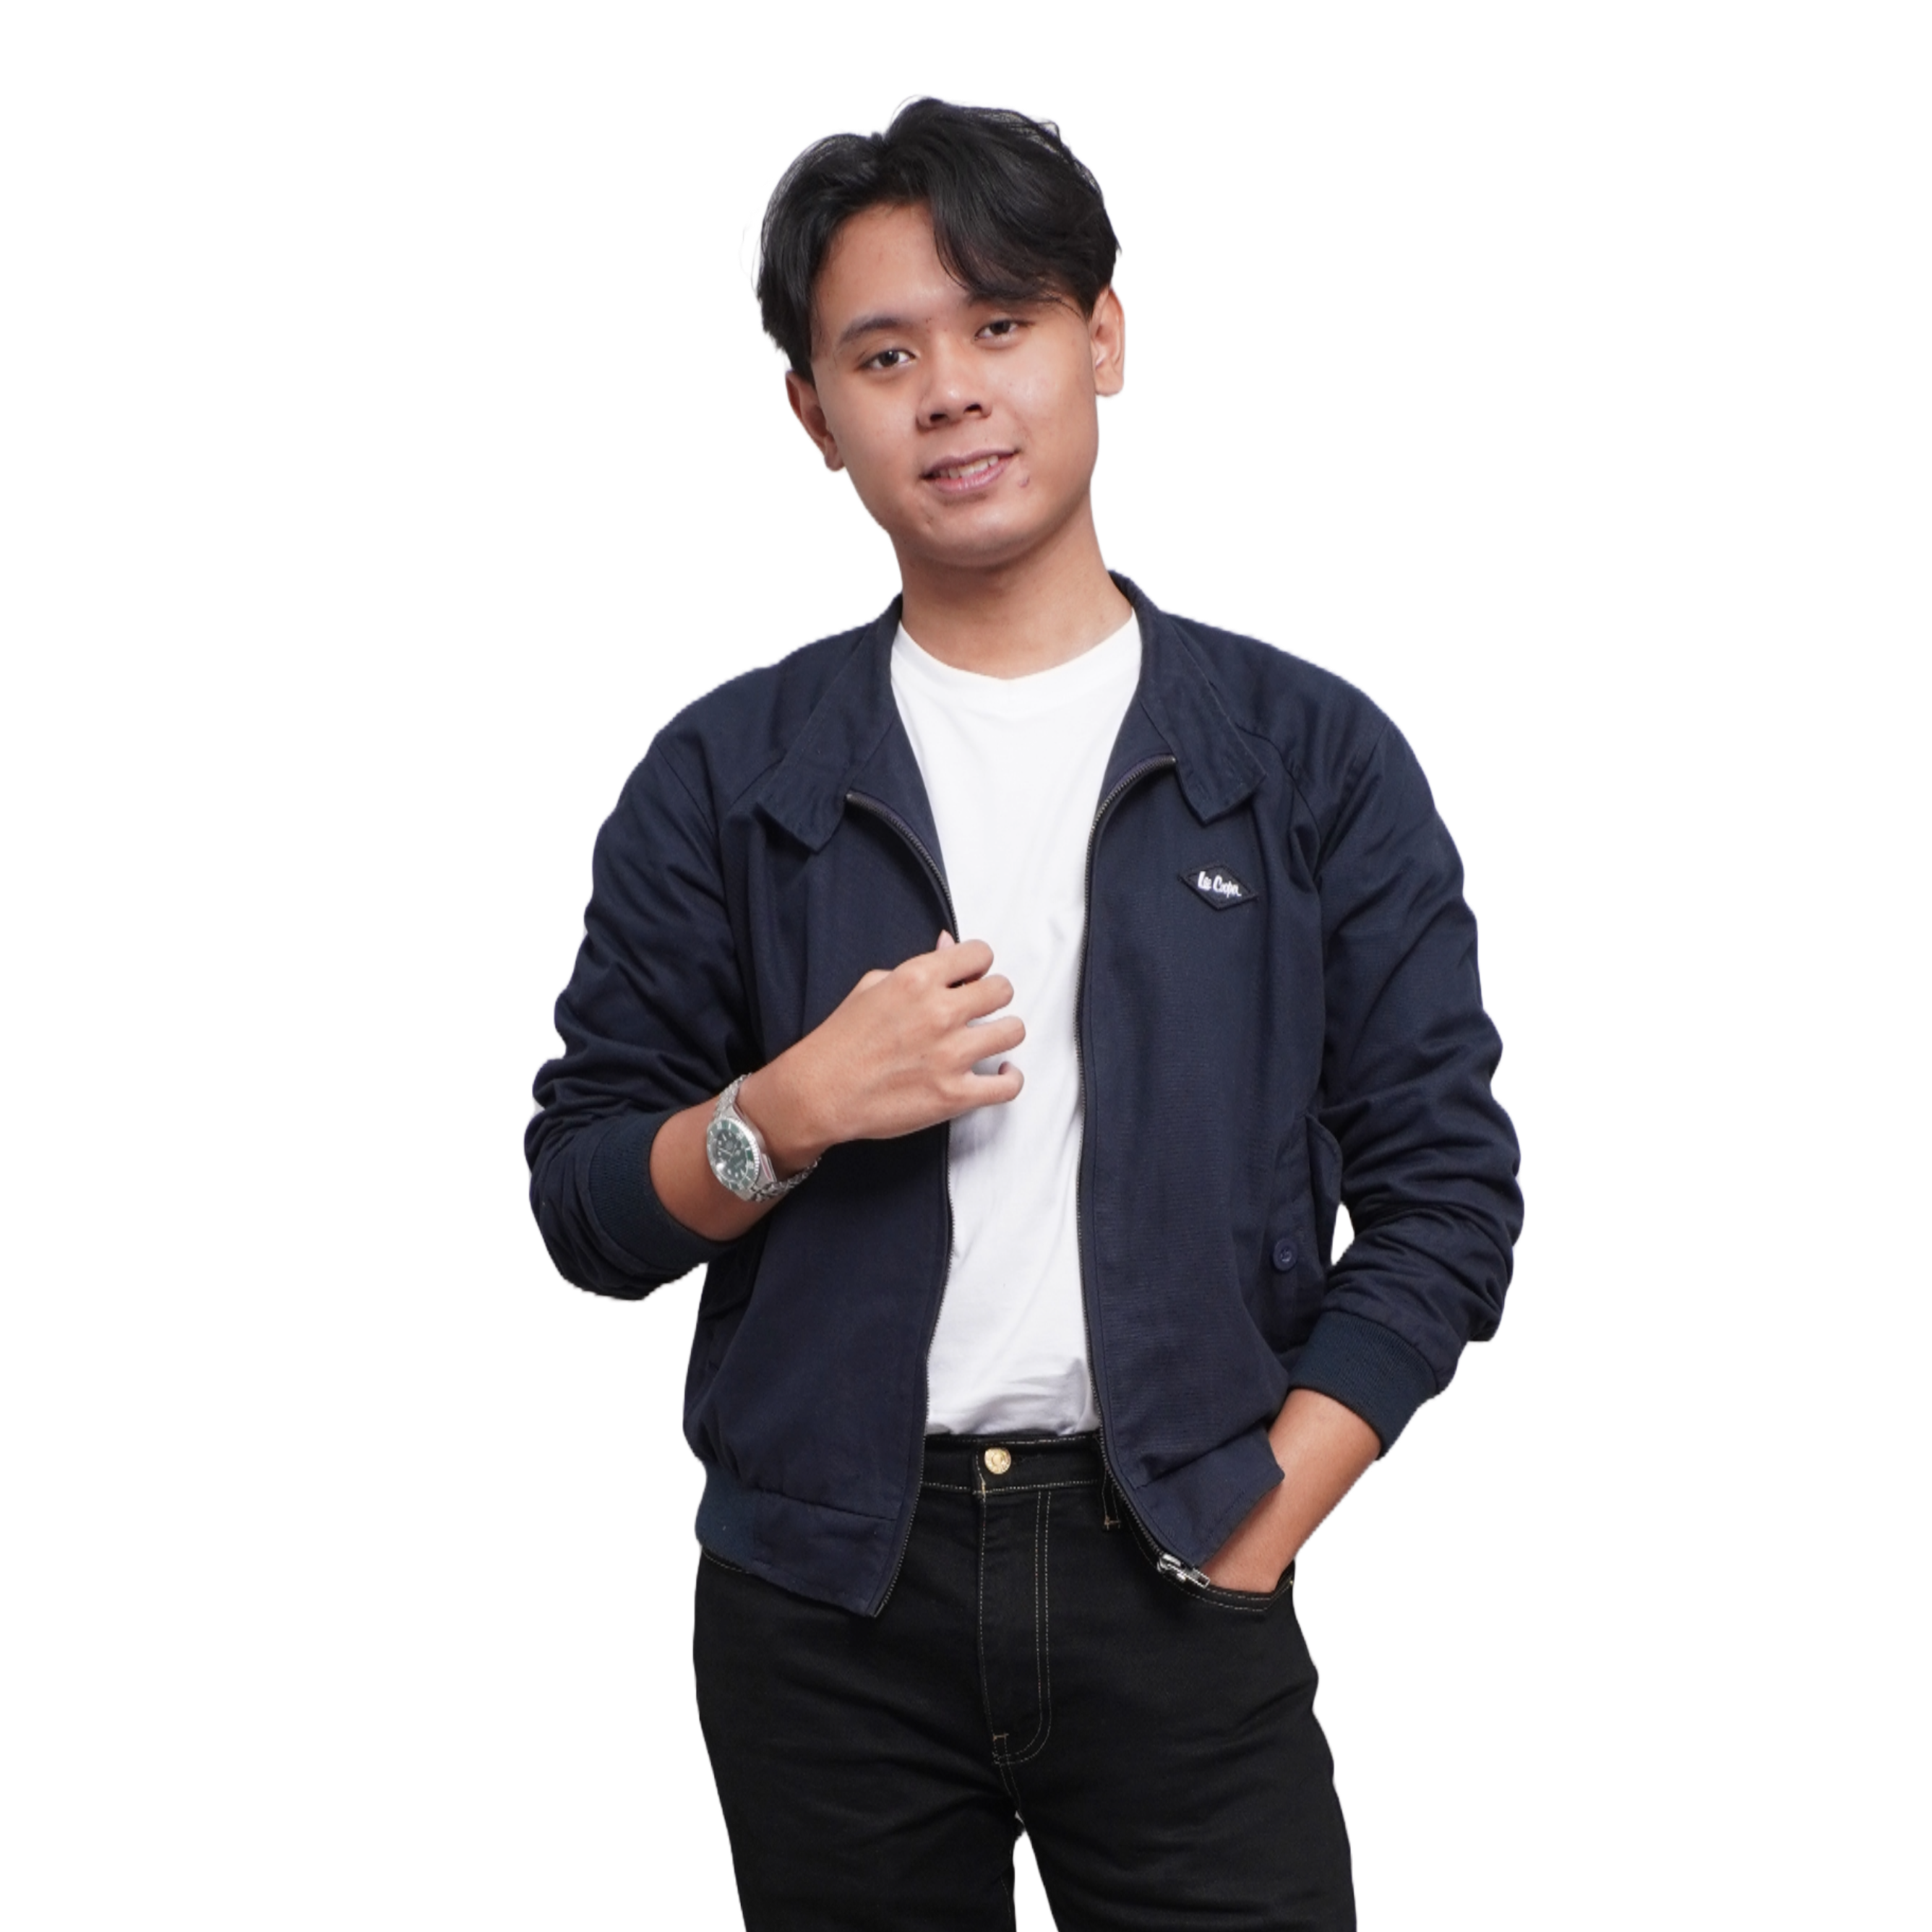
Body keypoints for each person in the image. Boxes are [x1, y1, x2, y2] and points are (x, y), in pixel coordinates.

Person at [525, 93, 1523, 1931]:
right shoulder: (725, 772)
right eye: (884, 355)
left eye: (1000, 324)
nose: (953, 394)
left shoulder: (1309, 754)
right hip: (822, 1600)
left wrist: (1264, 1516)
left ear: (1104, 337)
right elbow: (586, 1208)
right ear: (813, 415)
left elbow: (1448, 1192)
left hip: (1183, 1553)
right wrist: (783, 1113)